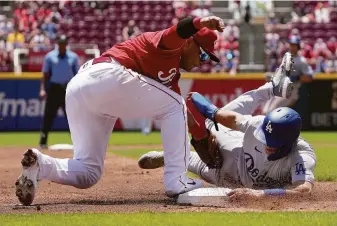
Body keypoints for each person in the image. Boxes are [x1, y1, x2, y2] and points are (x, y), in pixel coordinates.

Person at [15, 16, 225, 206]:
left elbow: (179, 113)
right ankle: (177, 180)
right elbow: (178, 31)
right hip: (107, 73)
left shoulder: (171, 78)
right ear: (189, 42)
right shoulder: (169, 45)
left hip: (80, 88)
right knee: (175, 104)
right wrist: (199, 23)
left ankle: (40, 164)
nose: (202, 63)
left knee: (88, 172)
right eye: (204, 55)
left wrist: (201, 135)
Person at [139, 52, 316, 200]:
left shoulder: (301, 154)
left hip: (227, 180)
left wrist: (259, 195)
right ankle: (271, 88)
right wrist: (212, 112)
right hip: (233, 154)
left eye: (273, 142)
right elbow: (232, 119)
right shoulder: (259, 125)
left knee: (200, 164)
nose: (267, 143)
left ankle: (168, 157)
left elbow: (304, 190)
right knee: (212, 124)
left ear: (289, 142)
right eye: (266, 137)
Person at [39, 35, 79, 148]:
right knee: (48, 116)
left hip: (68, 89)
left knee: (72, 117)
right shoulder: (50, 57)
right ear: (57, 44)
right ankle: (43, 141)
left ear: (66, 45)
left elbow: (77, 75)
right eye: (60, 44)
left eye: (63, 44)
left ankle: (78, 142)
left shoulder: (73, 57)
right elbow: (45, 75)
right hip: (54, 88)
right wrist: (42, 89)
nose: (62, 46)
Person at [262, 35, 314, 114]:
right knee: (264, 111)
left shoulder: (301, 60)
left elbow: (310, 77)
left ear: (298, 46)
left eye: (294, 45)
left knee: (271, 111)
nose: (292, 47)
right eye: (291, 45)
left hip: (291, 91)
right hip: (280, 89)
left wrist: (295, 78)